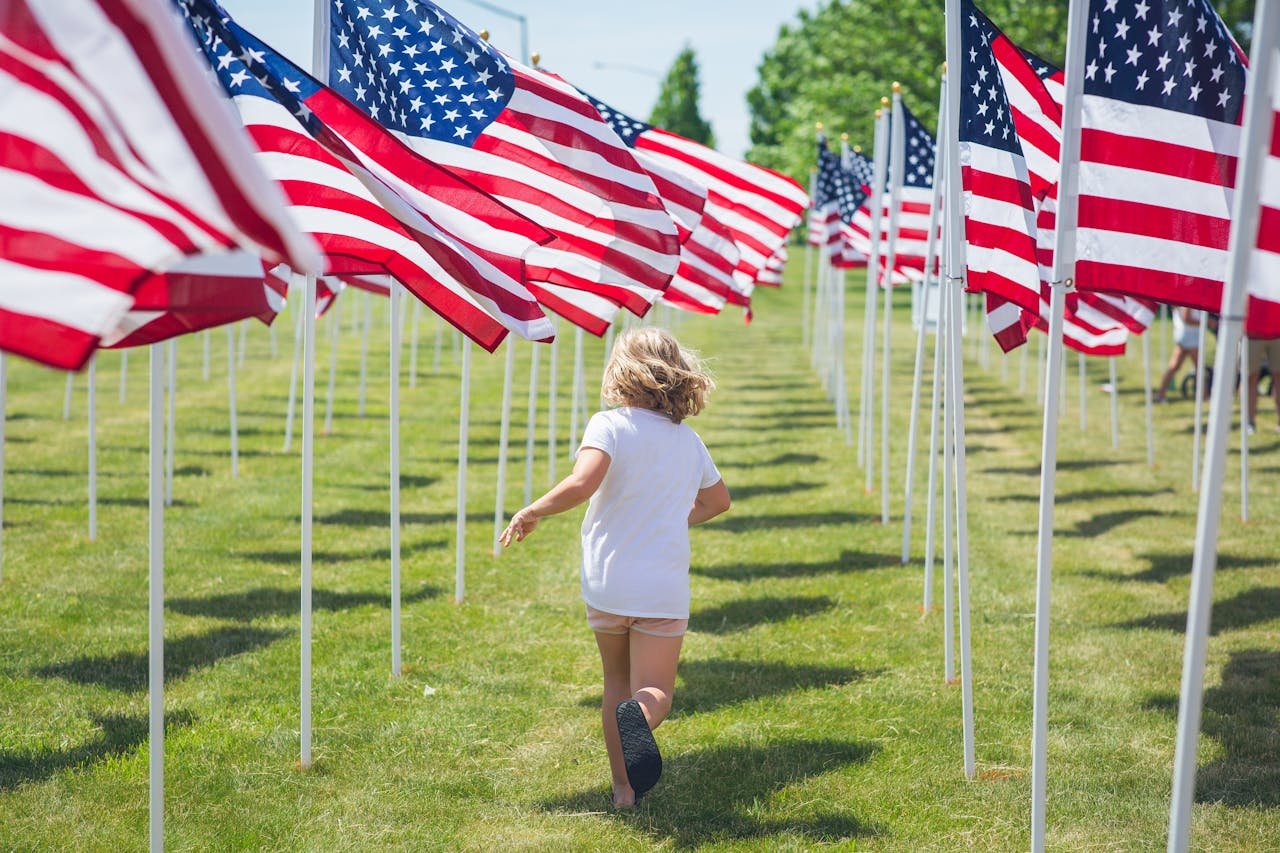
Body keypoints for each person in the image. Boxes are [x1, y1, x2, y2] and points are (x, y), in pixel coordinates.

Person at [499, 327, 730, 808]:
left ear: (620, 372)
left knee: (615, 684)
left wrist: (533, 509)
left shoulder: (609, 425)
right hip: (661, 587)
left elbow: (583, 483)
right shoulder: (688, 442)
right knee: (653, 692)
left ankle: (624, 791)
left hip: (608, 581)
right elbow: (717, 501)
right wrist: (673, 516)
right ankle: (640, 720)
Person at [1154, 306, 1202, 403]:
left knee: (1175, 366)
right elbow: (1187, 318)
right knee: (1199, 367)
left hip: (1186, 335)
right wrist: (1206, 322)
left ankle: (1160, 393)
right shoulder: (1188, 299)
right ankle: (1204, 396)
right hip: (1189, 336)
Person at [1247, 335, 1280, 434]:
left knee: (1278, 378)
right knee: (1251, 378)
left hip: (1277, 334)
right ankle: (1250, 422)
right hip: (1252, 335)